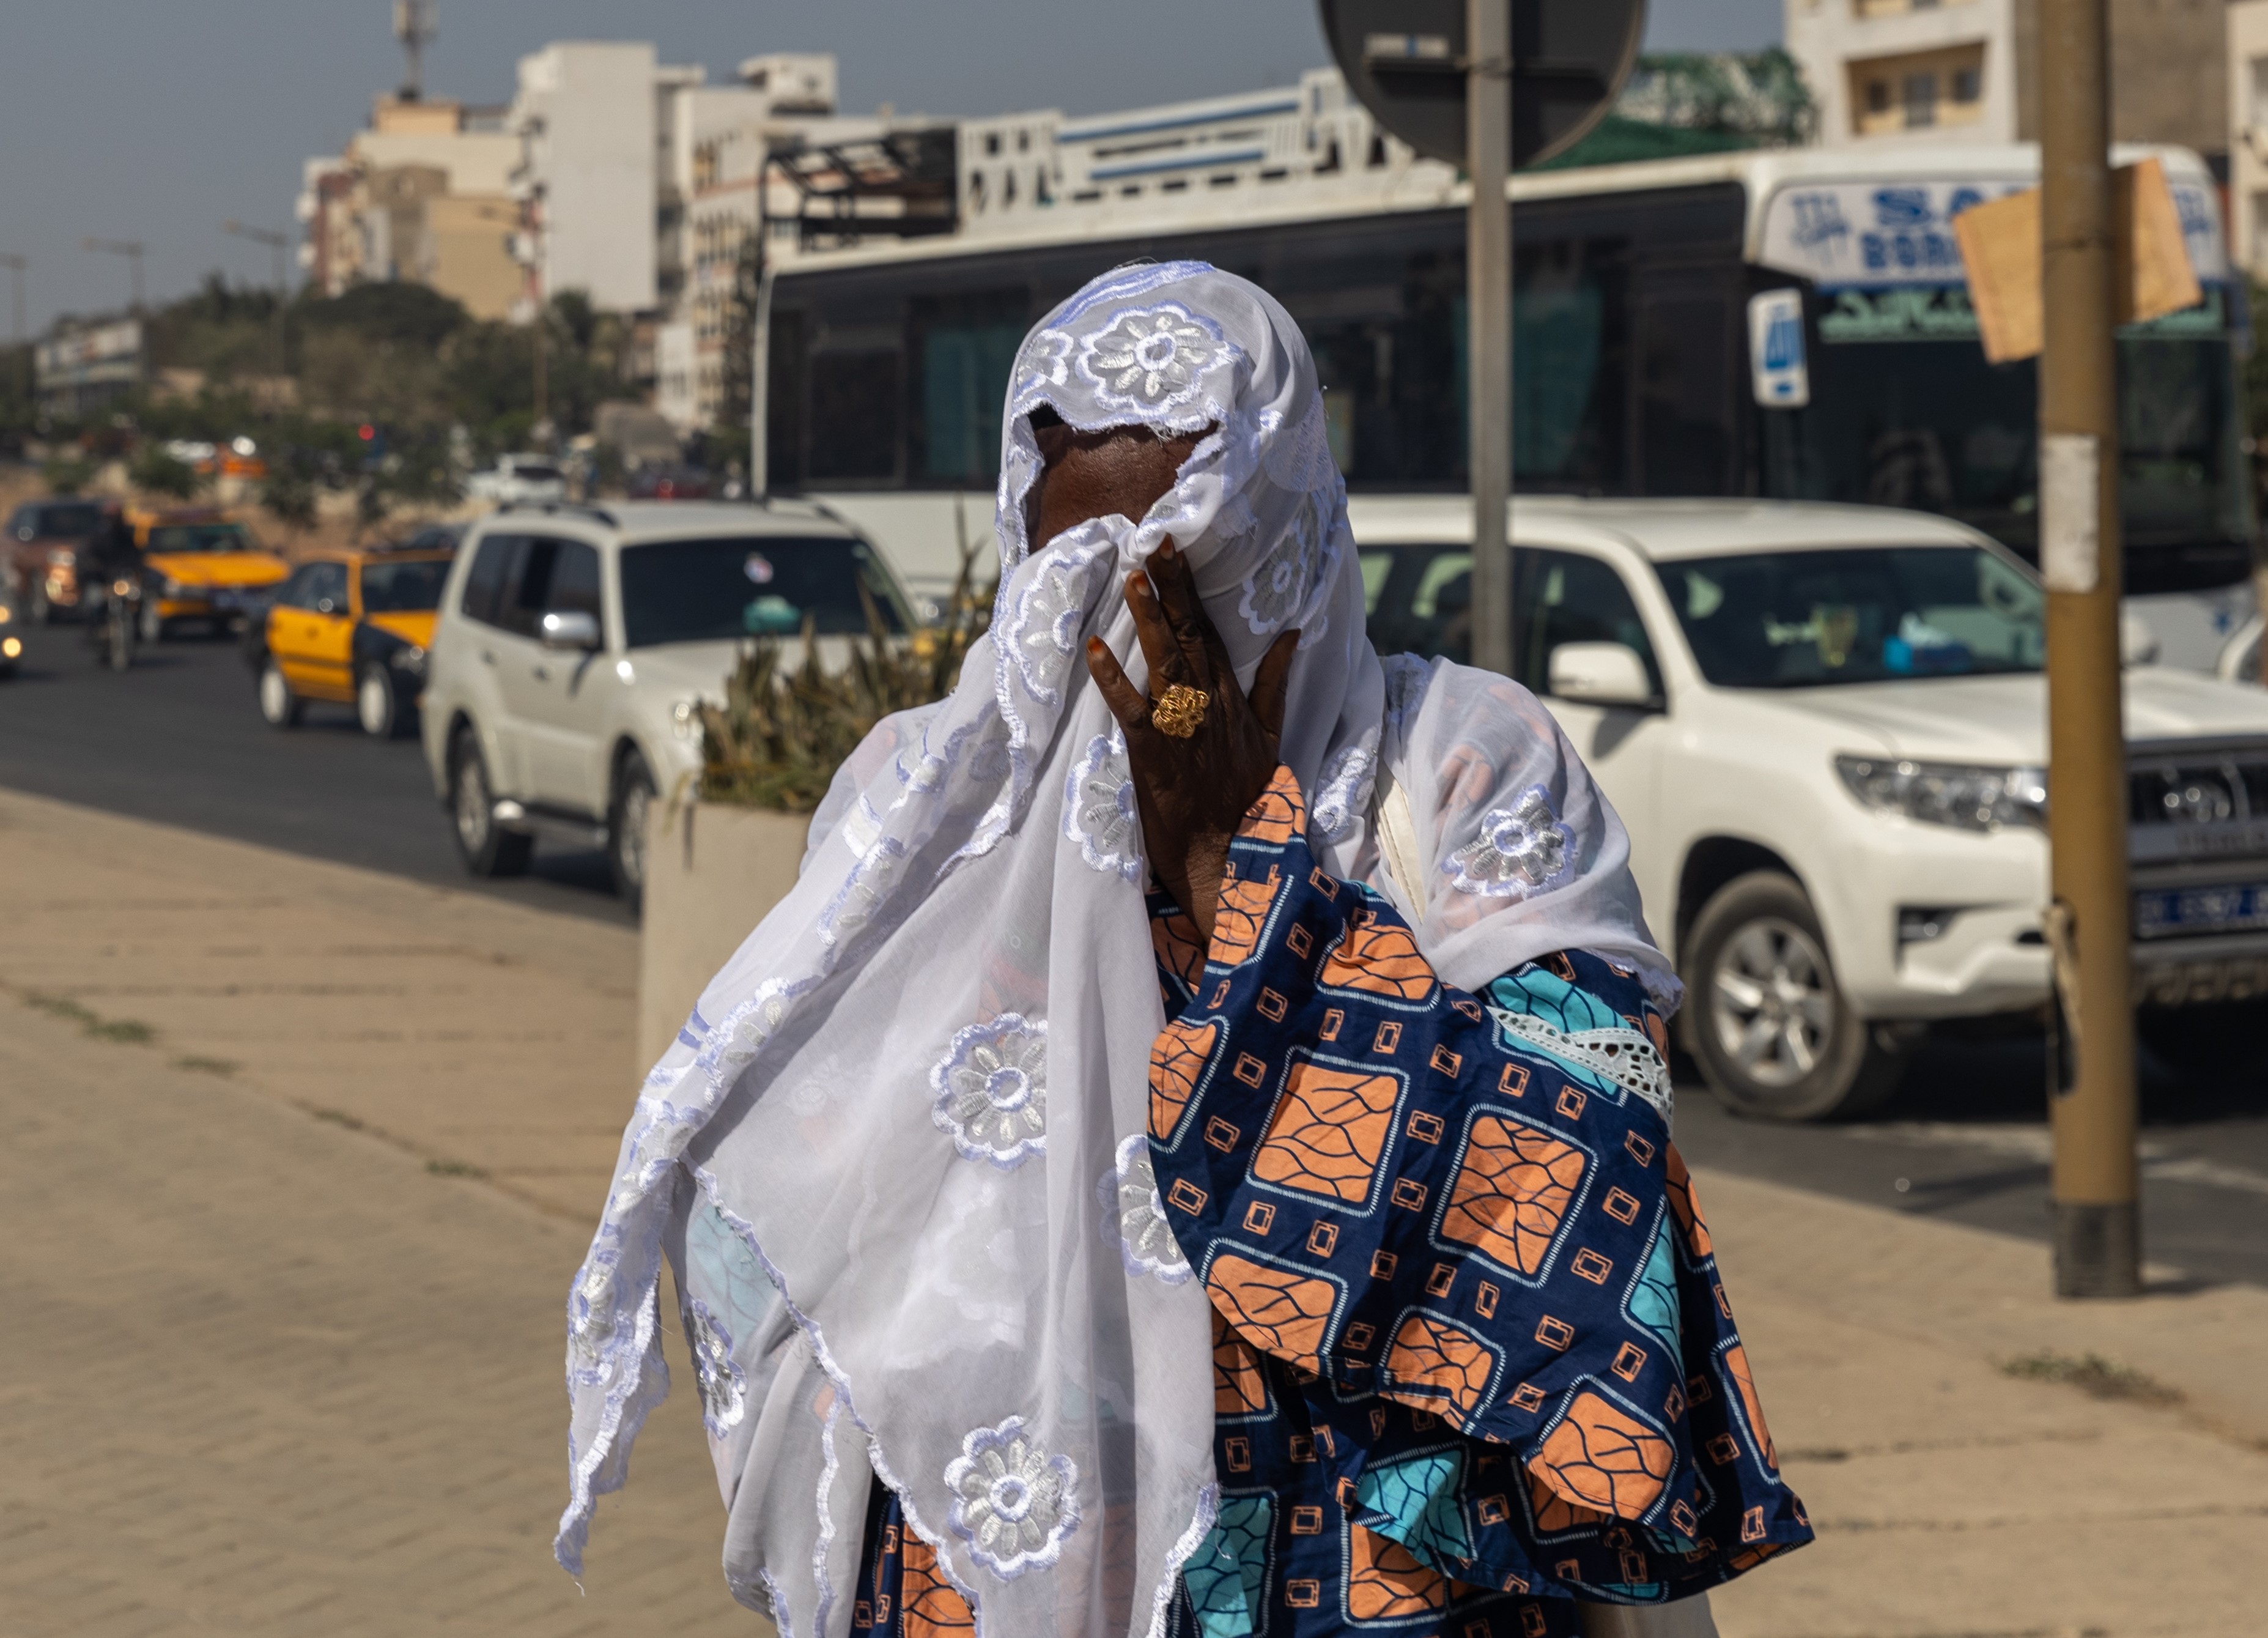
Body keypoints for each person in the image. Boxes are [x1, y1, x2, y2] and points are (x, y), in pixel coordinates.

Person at [557, 263, 1810, 1638]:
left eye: (1188, 591)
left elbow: (1589, 1198)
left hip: (1376, 1583)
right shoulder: (914, 805)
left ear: (1295, 551)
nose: (1146, 663)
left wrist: (1237, 892)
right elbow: (793, 1219)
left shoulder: (1459, 771)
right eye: (1076, 593)